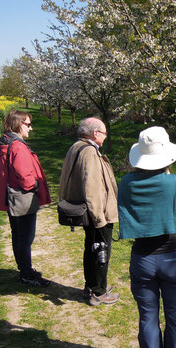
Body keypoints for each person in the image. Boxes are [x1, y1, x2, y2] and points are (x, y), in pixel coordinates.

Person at [118, 126, 176, 348]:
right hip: (173, 256)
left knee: (148, 316)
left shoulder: (125, 183)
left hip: (143, 258)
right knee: (175, 313)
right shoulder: (174, 181)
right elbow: (175, 207)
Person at [59, 117, 120, 306]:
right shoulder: (89, 152)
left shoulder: (75, 147)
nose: (105, 136)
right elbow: (92, 187)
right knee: (101, 251)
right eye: (104, 132)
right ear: (95, 133)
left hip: (88, 211)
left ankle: (91, 286)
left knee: (91, 249)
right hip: (97, 213)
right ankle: (99, 292)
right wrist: (99, 218)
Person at [0, 110, 51, 286]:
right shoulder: (18, 146)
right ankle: (27, 274)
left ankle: (24, 269)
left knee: (17, 235)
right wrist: (35, 185)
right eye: (28, 124)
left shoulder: (5, 142)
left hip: (11, 198)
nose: (30, 129)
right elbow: (24, 175)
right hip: (22, 197)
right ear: (18, 124)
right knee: (25, 237)